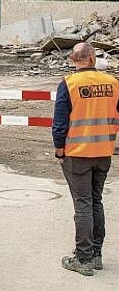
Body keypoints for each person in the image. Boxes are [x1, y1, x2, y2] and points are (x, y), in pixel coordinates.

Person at [52, 42, 119, 276]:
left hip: (78, 153)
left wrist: (59, 151)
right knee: (95, 200)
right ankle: (96, 254)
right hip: (103, 152)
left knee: (83, 204)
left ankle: (83, 258)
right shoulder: (113, 83)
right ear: (92, 58)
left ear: (73, 59)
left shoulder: (69, 84)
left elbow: (60, 123)